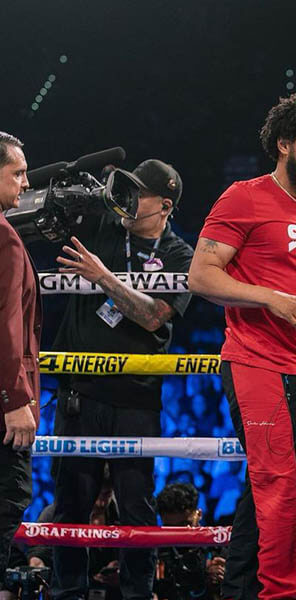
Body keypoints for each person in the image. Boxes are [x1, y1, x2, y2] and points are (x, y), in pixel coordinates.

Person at [188, 92, 296, 599]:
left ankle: (239, 591)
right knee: (284, 489)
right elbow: (201, 276)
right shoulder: (245, 196)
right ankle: (282, 593)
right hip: (259, 361)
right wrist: (269, 299)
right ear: (283, 144)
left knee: (276, 490)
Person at [50, 159, 194, 600]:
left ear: (164, 205)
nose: (128, 200)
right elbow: (52, 220)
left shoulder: (179, 256)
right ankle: (66, 593)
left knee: (135, 505)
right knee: (72, 503)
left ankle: (138, 594)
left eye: (139, 193)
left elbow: (154, 317)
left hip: (135, 399)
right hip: (79, 393)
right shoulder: (102, 227)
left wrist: (103, 278)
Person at [0, 132, 40, 600]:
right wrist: (15, 398)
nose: (27, 182)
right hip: (4, 400)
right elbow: (7, 322)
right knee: (7, 502)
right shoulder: (5, 239)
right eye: (18, 173)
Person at [155, 483, 225, 600]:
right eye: (171, 528)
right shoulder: (154, 552)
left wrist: (224, 580)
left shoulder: (216, 547)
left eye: (184, 525)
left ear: (199, 514)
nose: (178, 534)